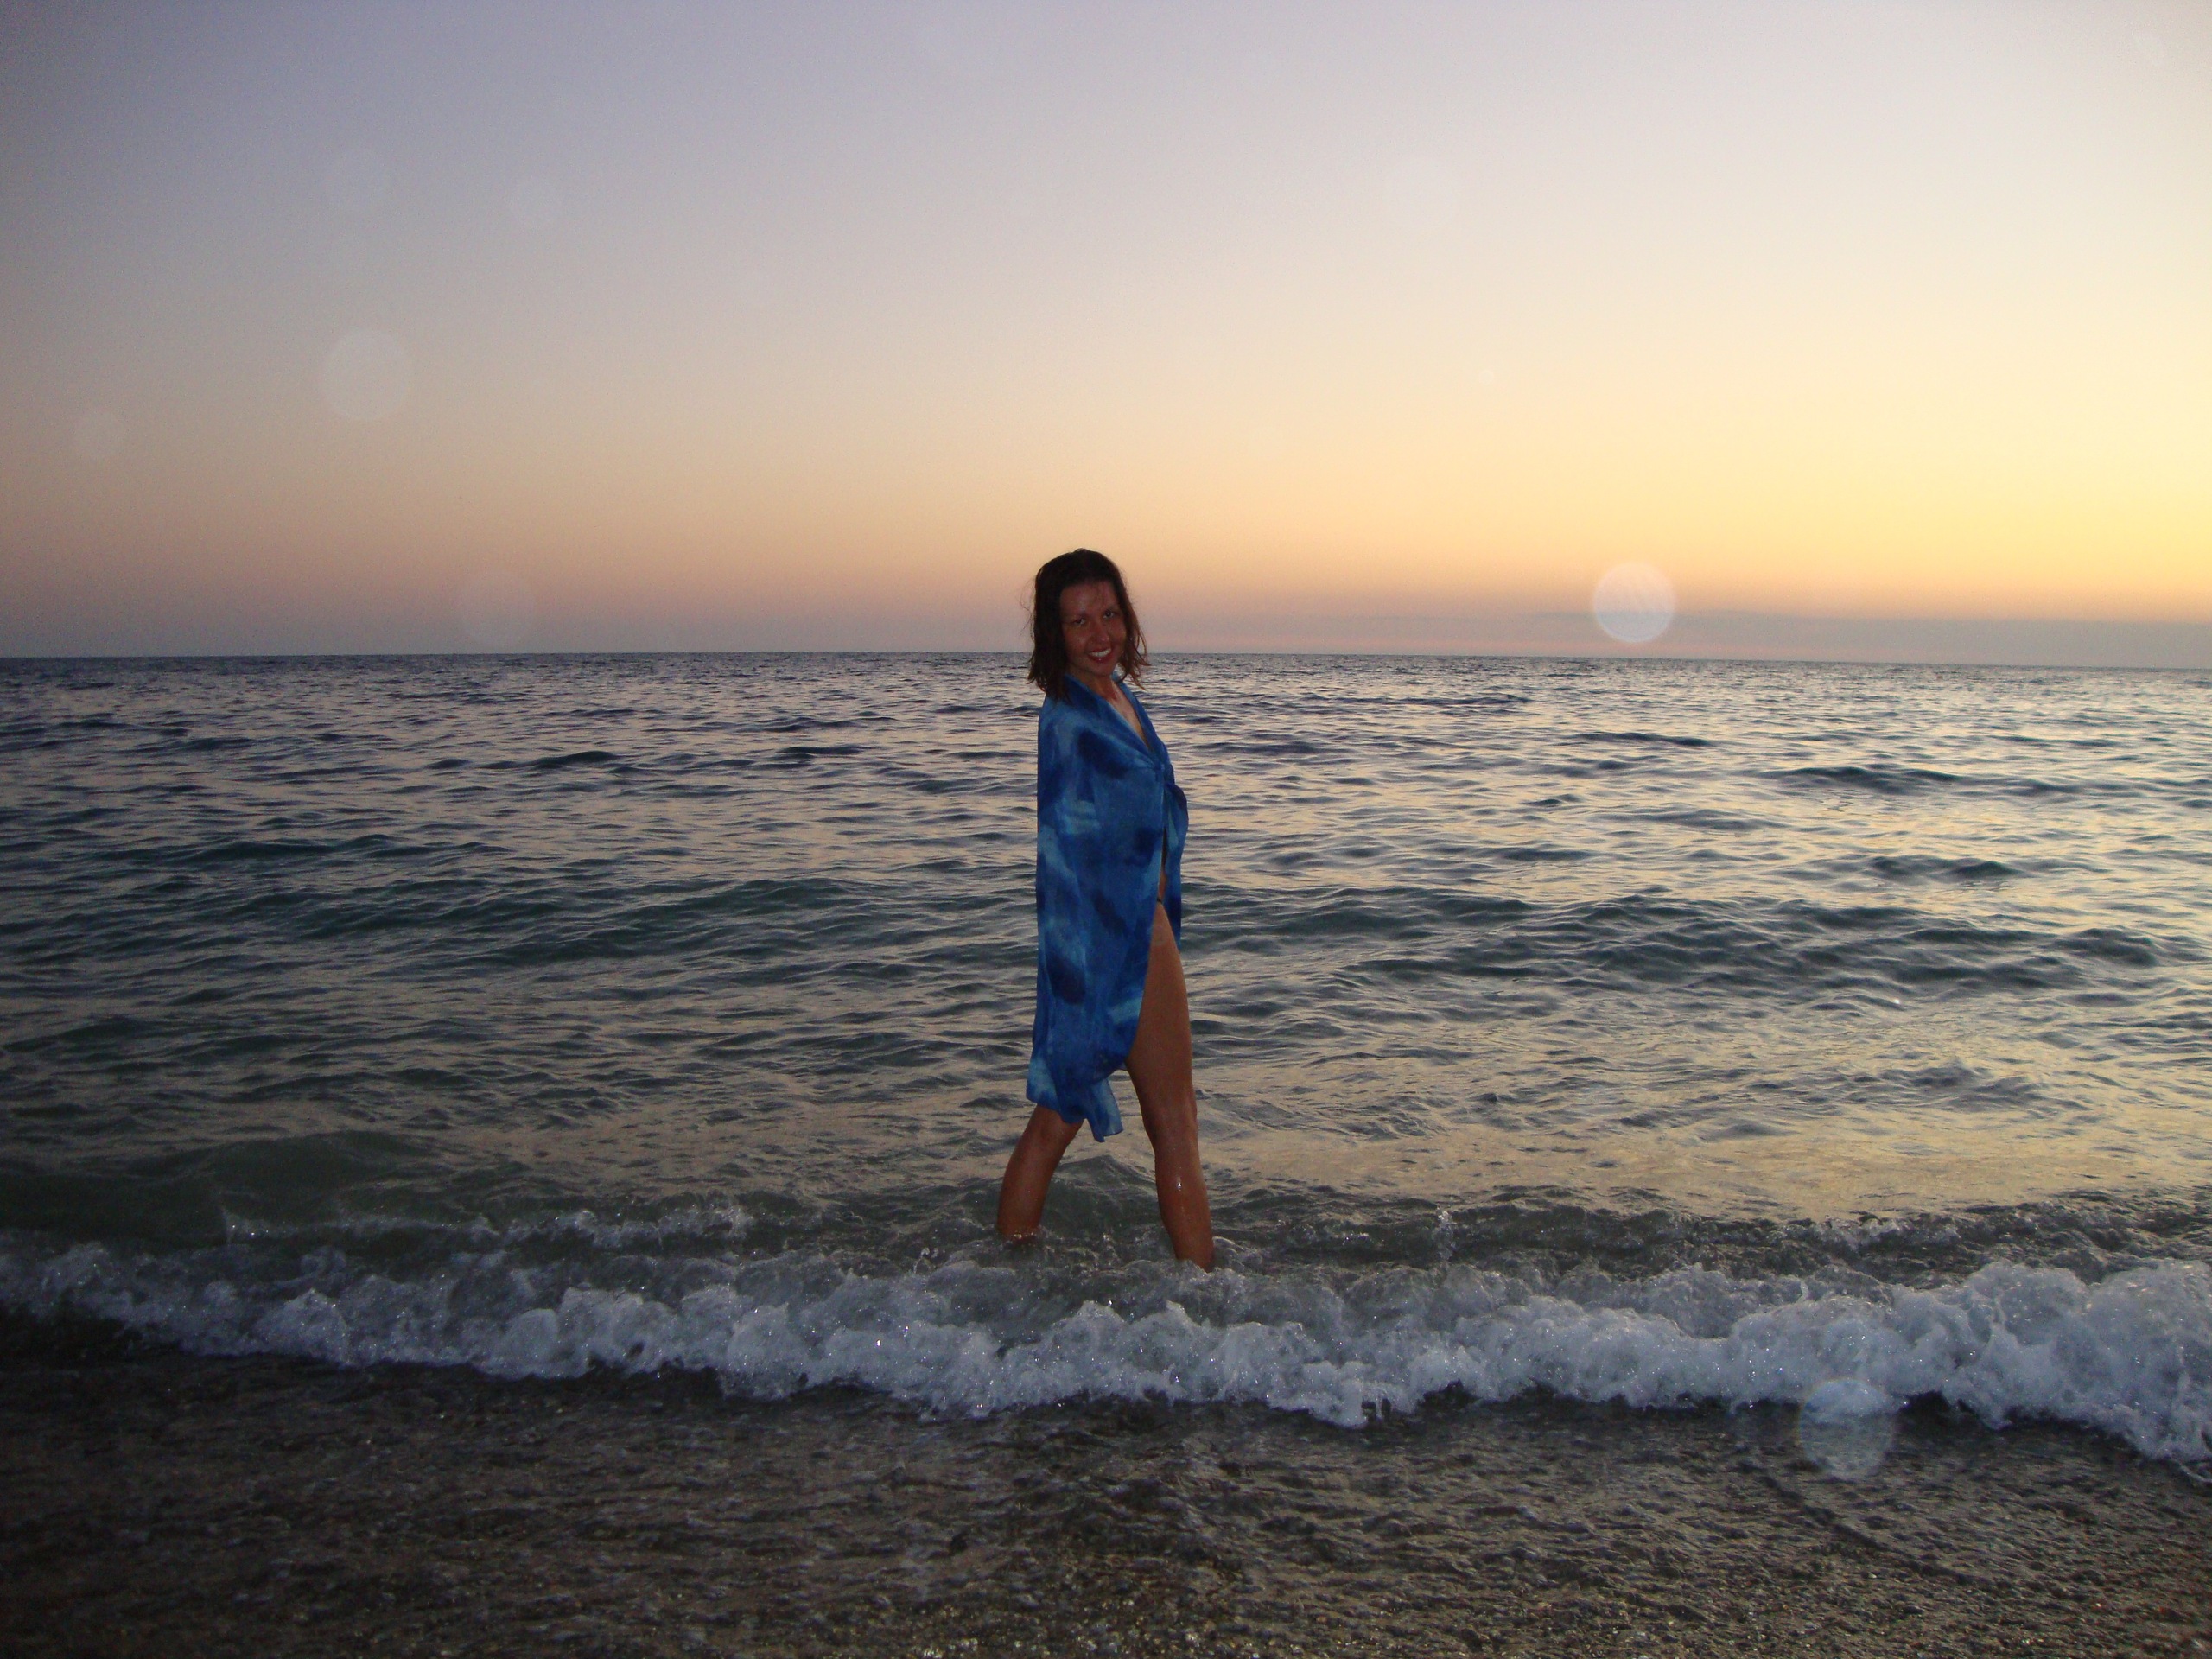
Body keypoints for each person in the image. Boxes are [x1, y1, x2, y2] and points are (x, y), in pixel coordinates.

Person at [996, 550, 1215, 1268]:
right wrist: (1112, 957)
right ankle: (1207, 1295)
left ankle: (1006, 1273)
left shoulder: (1113, 698)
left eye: (1111, 614)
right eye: (1080, 621)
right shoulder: (1072, 721)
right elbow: (1072, 855)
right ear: (1053, 633)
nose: (1101, 634)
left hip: (1114, 937)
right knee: (1175, 1126)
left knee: (1059, 1115)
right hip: (1123, 939)